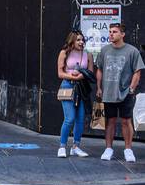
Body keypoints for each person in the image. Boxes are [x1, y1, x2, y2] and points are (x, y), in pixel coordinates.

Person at [95, 22, 144, 162]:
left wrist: (131, 89)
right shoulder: (104, 50)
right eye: (110, 31)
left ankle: (128, 150)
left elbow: (137, 71)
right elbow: (99, 69)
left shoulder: (132, 51)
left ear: (122, 34)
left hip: (125, 93)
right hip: (108, 92)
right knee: (109, 121)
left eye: (114, 32)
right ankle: (108, 149)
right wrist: (98, 87)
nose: (111, 34)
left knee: (126, 121)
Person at [56, 31, 92, 158]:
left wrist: (82, 76)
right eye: (78, 40)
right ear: (72, 40)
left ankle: (76, 146)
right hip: (67, 85)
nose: (81, 42)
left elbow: (90, 72)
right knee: (69, 118)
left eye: (82, 40)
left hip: (81, 88)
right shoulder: (64, 53)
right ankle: (62, 146)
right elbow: (60, 73)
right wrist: (73, 76)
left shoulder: (88, 55)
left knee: (80, 119)